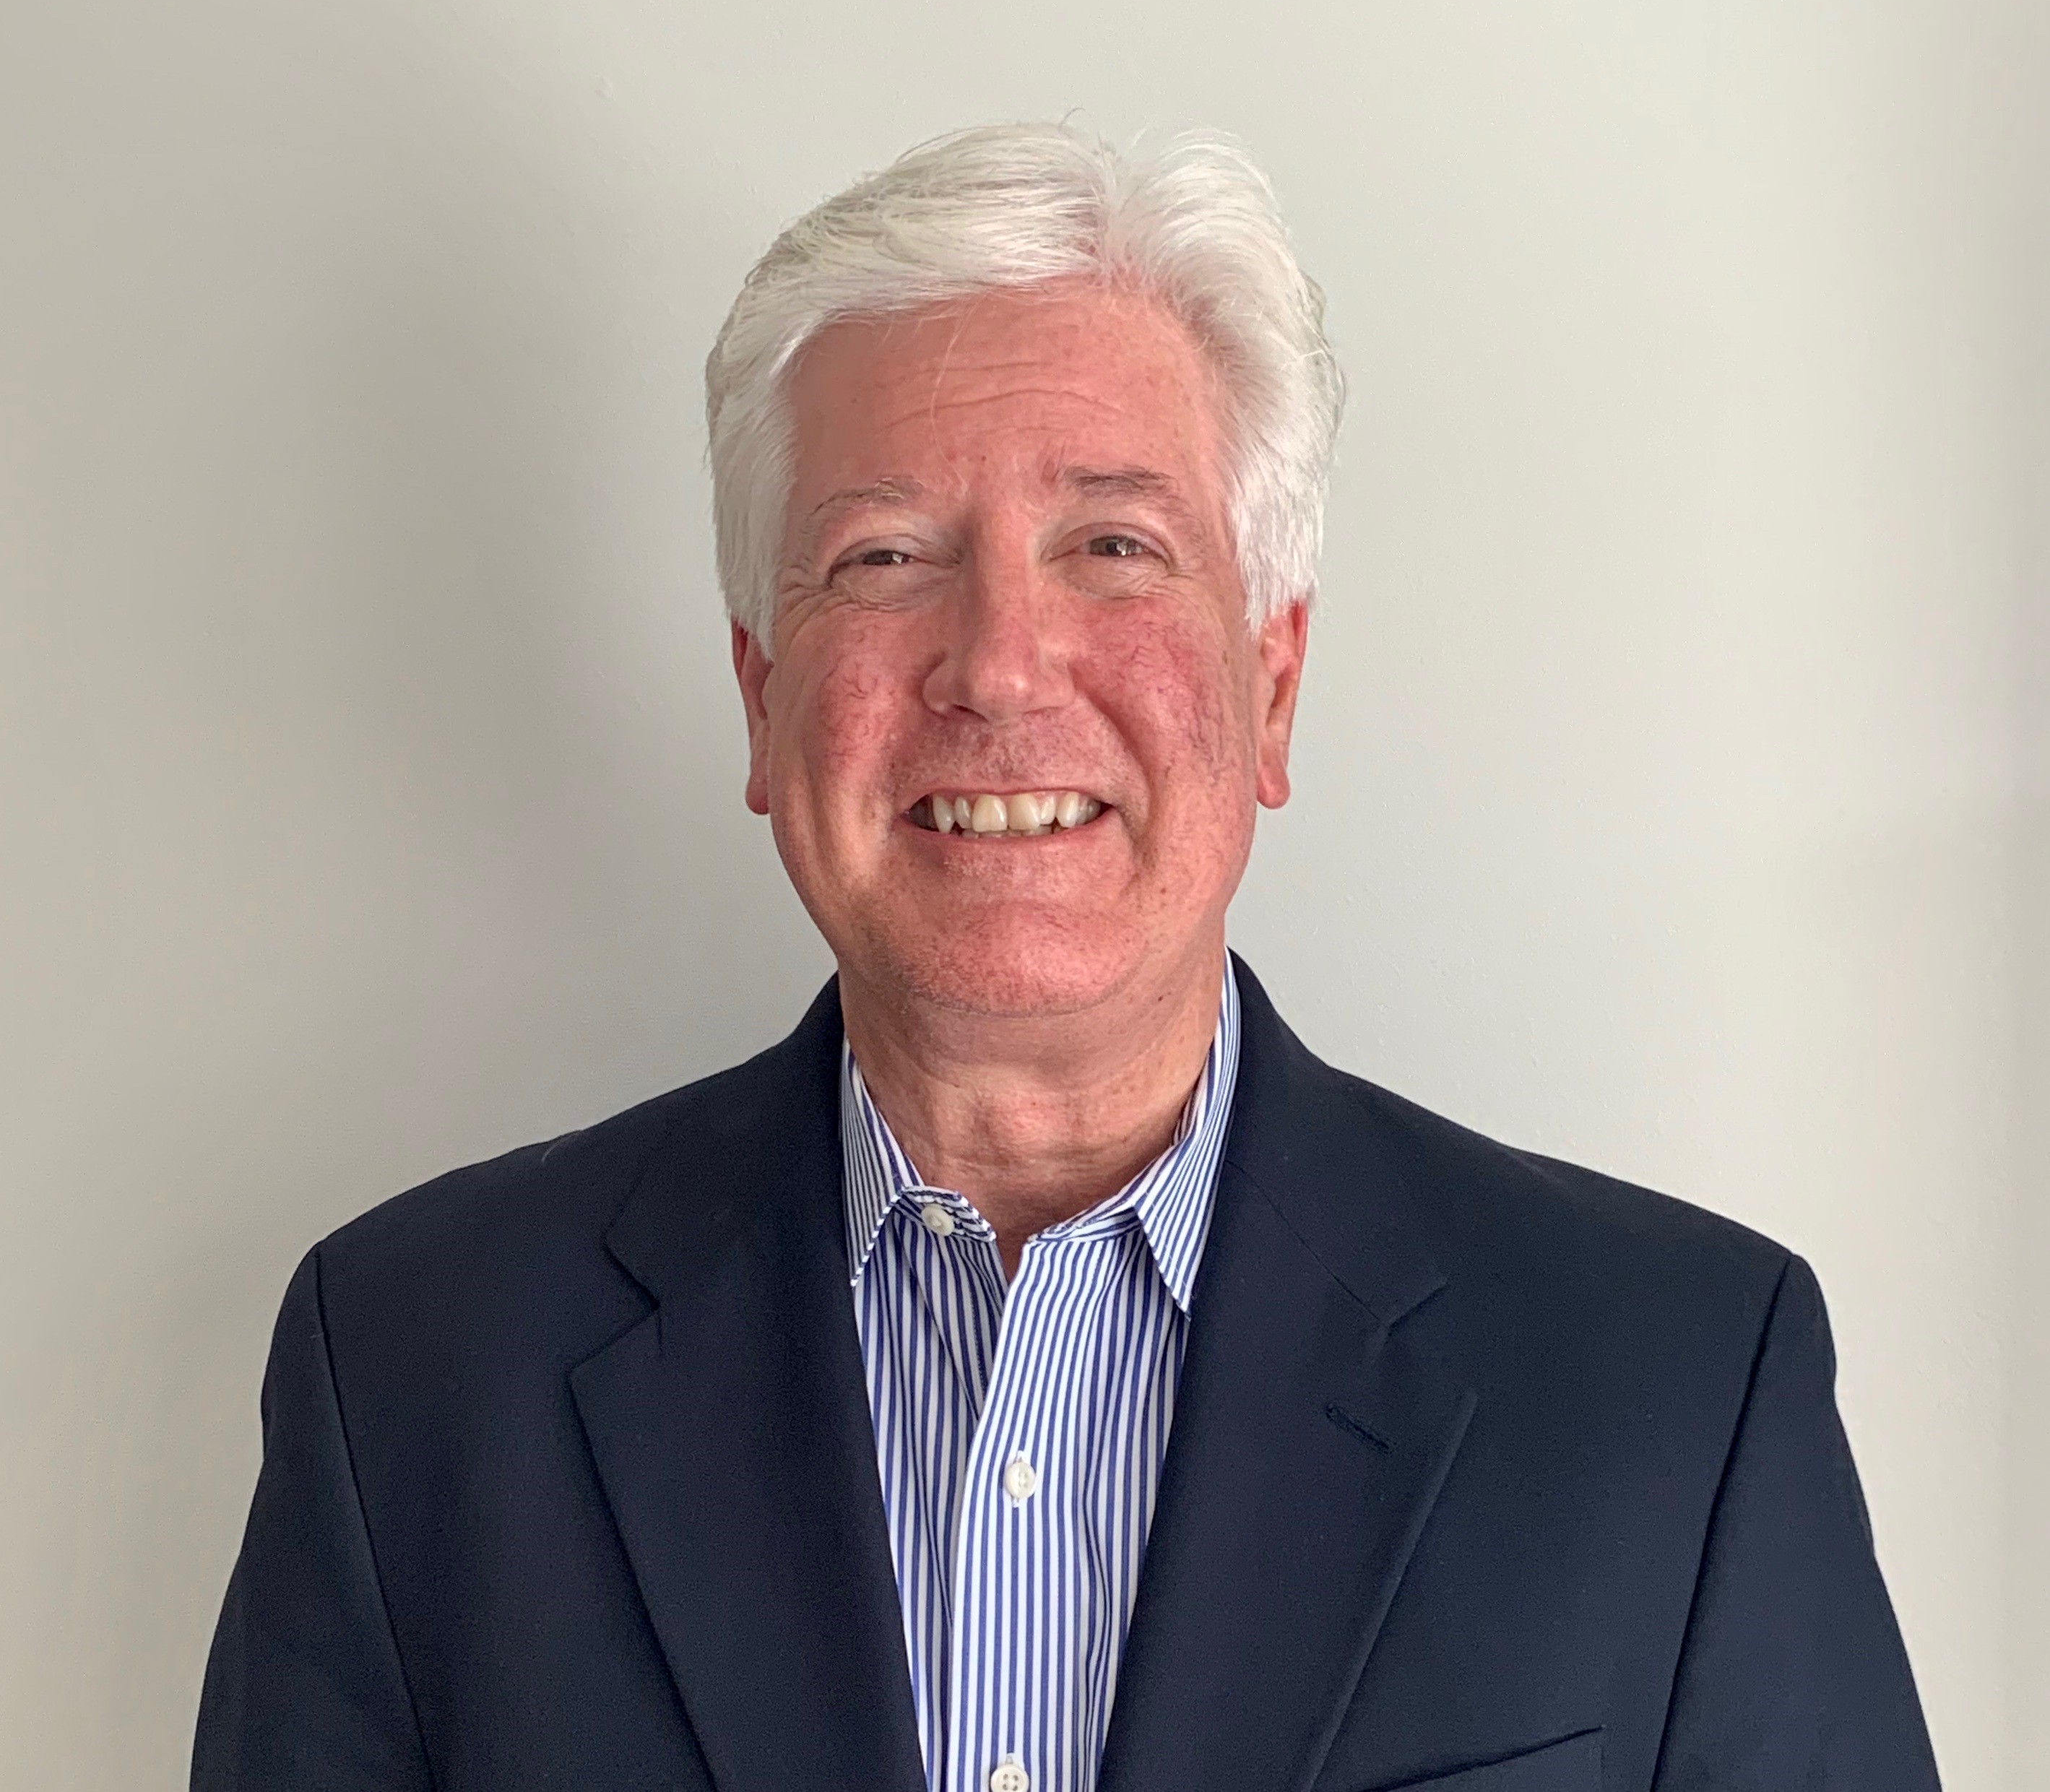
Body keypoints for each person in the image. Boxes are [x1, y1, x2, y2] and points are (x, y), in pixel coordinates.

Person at [191, 124, 1941, 1792]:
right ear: (761, 697)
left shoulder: (1678, 1384)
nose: (1001, 664)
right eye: (886, 556)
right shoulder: (416, 1370)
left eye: (1113, 546)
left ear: (1271, 683)